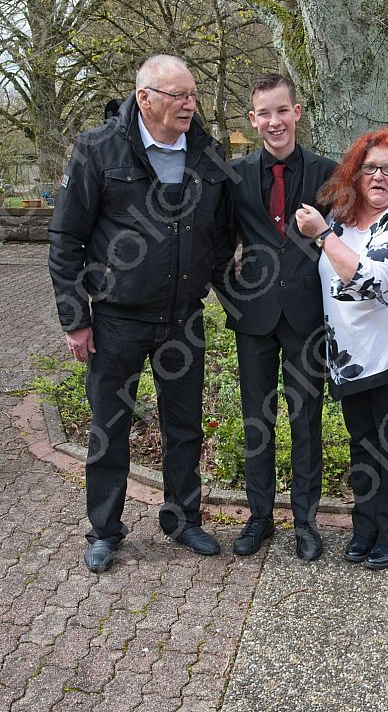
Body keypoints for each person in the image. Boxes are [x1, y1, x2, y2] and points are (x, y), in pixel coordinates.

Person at [48, 54, 232, 573]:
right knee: (110, 428)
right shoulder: (97, 149)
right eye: (178, 95)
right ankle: (105, 530)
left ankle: (183, 519)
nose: (190, 104)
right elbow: (65, 240)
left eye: (193, 94)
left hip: (182, 318)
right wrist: (75, 319)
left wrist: (241, 306)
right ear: (145, 97)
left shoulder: (207, 155)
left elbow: (218, 240)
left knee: (185, 425)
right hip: (116, 321)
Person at [296, 127, 388, 570]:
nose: (379, 177)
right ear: (357, 173)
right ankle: (365, 527)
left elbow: (369, 281)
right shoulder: (343, 215)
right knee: (362, 446)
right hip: (354, 361)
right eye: (370, 168)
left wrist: (323, 235)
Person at [226, 73, 336, 561]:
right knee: (258, 420)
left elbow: (347, 240)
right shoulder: (234, 176)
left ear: (297, 112)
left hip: (306, 315)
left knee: (305, 420)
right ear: (253, 121)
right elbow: (214, 243)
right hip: (253, 317)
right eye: (264, 113)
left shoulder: (328, 173)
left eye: (282, 110)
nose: (275, 121)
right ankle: (260, 517)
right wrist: (232, 292)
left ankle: (306, 522)